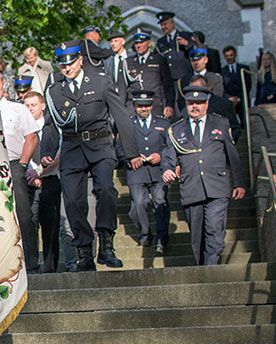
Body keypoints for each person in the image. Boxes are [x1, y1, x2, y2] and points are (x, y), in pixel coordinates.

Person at [40, 41, 141, 271]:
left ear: (80, 60)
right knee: (74, 202)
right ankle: (84, 251)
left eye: (71, 63)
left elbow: (121, 116)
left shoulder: (100, 81)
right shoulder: (55, 90)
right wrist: (47, 151)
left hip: (100, 144)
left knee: (105, 189)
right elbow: (50, 123)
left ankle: (106, 244)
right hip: (72, 149)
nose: (67, 68)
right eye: (62, 64)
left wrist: (131, 152)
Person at [160, 85, 246, 265]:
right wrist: (167, 169)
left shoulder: (220, 123)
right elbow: (168, 155)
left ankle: (211, 267)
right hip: (191, 188)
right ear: (186, 104)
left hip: (217, 186)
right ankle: (203, 267)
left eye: (199, 102)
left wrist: (238, 183)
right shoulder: (175, 130)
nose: (195, 106)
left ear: (207, 104)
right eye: (191, 102)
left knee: (214, 228)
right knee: (197, 235)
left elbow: (232, 154)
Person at [0, 69, 40, 273]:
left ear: (3, 84)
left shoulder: (17, 109)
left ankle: (31, 262)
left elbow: (32, 138)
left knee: (23, 214)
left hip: (13, 164)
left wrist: (22, 164)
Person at [126, 90, 171, 254]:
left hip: (158, 171)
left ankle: (162, 238)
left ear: (152, 106)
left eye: (146, 106)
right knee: (138, 204)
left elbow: (170, 146)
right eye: (140, 106)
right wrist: (130, 157)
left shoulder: (163, 123)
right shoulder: (128, 123)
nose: (143, 109)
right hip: (136, 171)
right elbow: (119, 147)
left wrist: (161, 155)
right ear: (134, 106)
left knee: (160, 200)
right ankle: (145, 233)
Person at [24, 90, 61, 273]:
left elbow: (58, 153)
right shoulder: (21, 127)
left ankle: (50, 268)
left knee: (50, 226)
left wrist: (39, 172)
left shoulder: (51, 126)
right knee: (30, 222)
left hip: (50, 179)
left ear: (43, 106)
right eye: (27, 105)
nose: (30, 109)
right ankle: (31, 266)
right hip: (28, 183)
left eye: (33, 105)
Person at [127, 29, 175, 118]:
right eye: (136, 43)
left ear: (148, 42)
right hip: (133, 108)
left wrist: (169, 105)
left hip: (154, 106)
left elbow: (168, 85)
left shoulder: (159, 60)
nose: (138, 45)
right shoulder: (128, 62)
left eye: (141, 42)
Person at [154, 11, 194, 112]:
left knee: (187, 104)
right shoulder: (160, 42)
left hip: (185, 78)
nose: (164, 27)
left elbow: (197, 51)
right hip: (169, 80)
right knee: (173, 107)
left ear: (172, 23)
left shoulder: (185, 35)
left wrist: (187, 44)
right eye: (162, 25)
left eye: (165, 24)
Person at [185, 75, 241, 143]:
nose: (195, 92)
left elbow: (235, 130)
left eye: (198, 89)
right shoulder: (186, 110)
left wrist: (226, 146)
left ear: (207, 88)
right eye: (192, 89)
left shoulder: (224, 104)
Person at [221, 45, 252, 128]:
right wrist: (229, 98)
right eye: (227, 56)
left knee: (245, 124)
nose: (229, 58)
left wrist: (239, 97)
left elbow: (248, 85)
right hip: (230, 102)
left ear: (235, 55)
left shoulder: (244, 68)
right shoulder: (222, 71)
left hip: (243, 101)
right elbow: (222, 87)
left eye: (231, 55)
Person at [105, 31, 136, 107]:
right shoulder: (108, 61)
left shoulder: (132, 57)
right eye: (111, 41)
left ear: (123, 41)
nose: (113, 44)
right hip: (114, 100)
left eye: (116, 41)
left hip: (131, 101)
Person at [255, 51, 276, 124]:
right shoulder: (260, 73)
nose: (266, 61)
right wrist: (256, 102)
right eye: (264, 59)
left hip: (274, 99)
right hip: (263, 99)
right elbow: (258, 89)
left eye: (267, 59)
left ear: (271, 60)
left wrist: (273, 93)